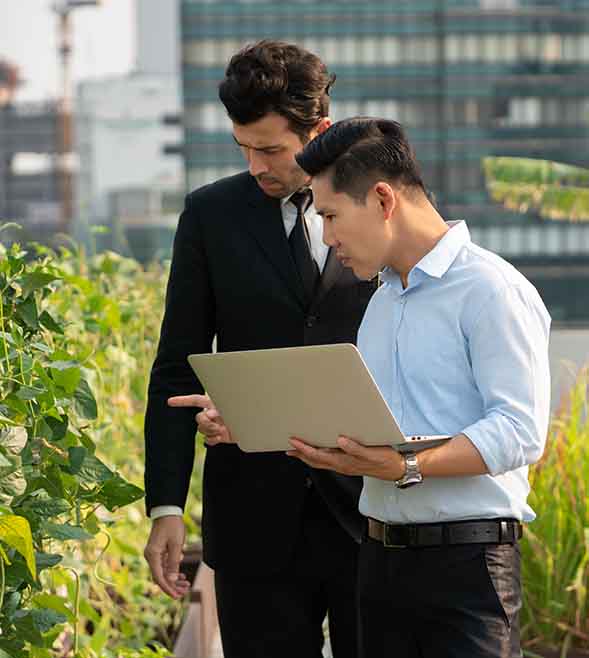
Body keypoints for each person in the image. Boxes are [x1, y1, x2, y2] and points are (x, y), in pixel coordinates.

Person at [143, 42, 378, 658]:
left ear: (319, 130)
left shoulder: (380, 207)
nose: (255, 165)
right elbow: (176, 363)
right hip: (252, 519)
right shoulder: (208, 215)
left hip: (371, 511)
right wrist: (166, 504)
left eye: (271, 149)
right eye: (242, 147)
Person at [288, 117, 551, 658]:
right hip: (380, 563)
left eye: (332, 216)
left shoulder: (492, 290)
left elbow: (519, 431)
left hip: (470, 571)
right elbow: (378, 424)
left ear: (383, 199)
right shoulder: (381, 302)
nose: (328, 237)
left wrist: (406, 467)